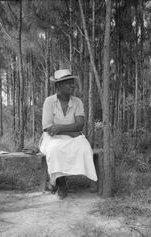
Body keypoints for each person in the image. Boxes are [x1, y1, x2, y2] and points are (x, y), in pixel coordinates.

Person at [39, 69, 97, 200]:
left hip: (73, 136)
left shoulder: (77, 102)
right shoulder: (49, 101)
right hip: (52, 137)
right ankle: (60, 183)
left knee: (85, 147)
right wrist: (70, 130)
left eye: (73, 83)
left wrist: (59, 127)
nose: (72, 85)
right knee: (55, 150)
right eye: (68, 83)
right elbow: (48, 128)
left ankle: (92, 180)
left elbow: (80, 125)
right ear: (58, 85)